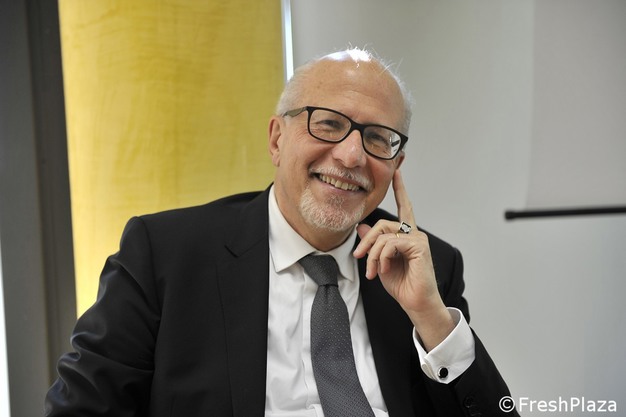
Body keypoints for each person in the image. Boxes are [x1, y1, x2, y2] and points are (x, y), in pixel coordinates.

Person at [45, 48, 518, 416]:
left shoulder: (429, 268)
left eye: (377, 138)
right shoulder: (165, 255)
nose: (352, 156)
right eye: (329, 124)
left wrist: (433, 320)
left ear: (396, 164)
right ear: (277, 139)